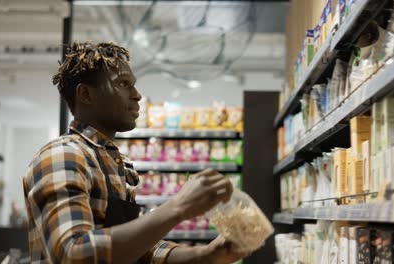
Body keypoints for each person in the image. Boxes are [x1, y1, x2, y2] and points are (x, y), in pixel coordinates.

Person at [23, 41, 247, 264]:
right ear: (86, 95)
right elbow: (73, 254)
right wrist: (178, 207)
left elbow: (137, 249)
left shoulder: (114, 162)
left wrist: (206, 255)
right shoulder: (63, 156)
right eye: (123, 83)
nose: (137, 95)